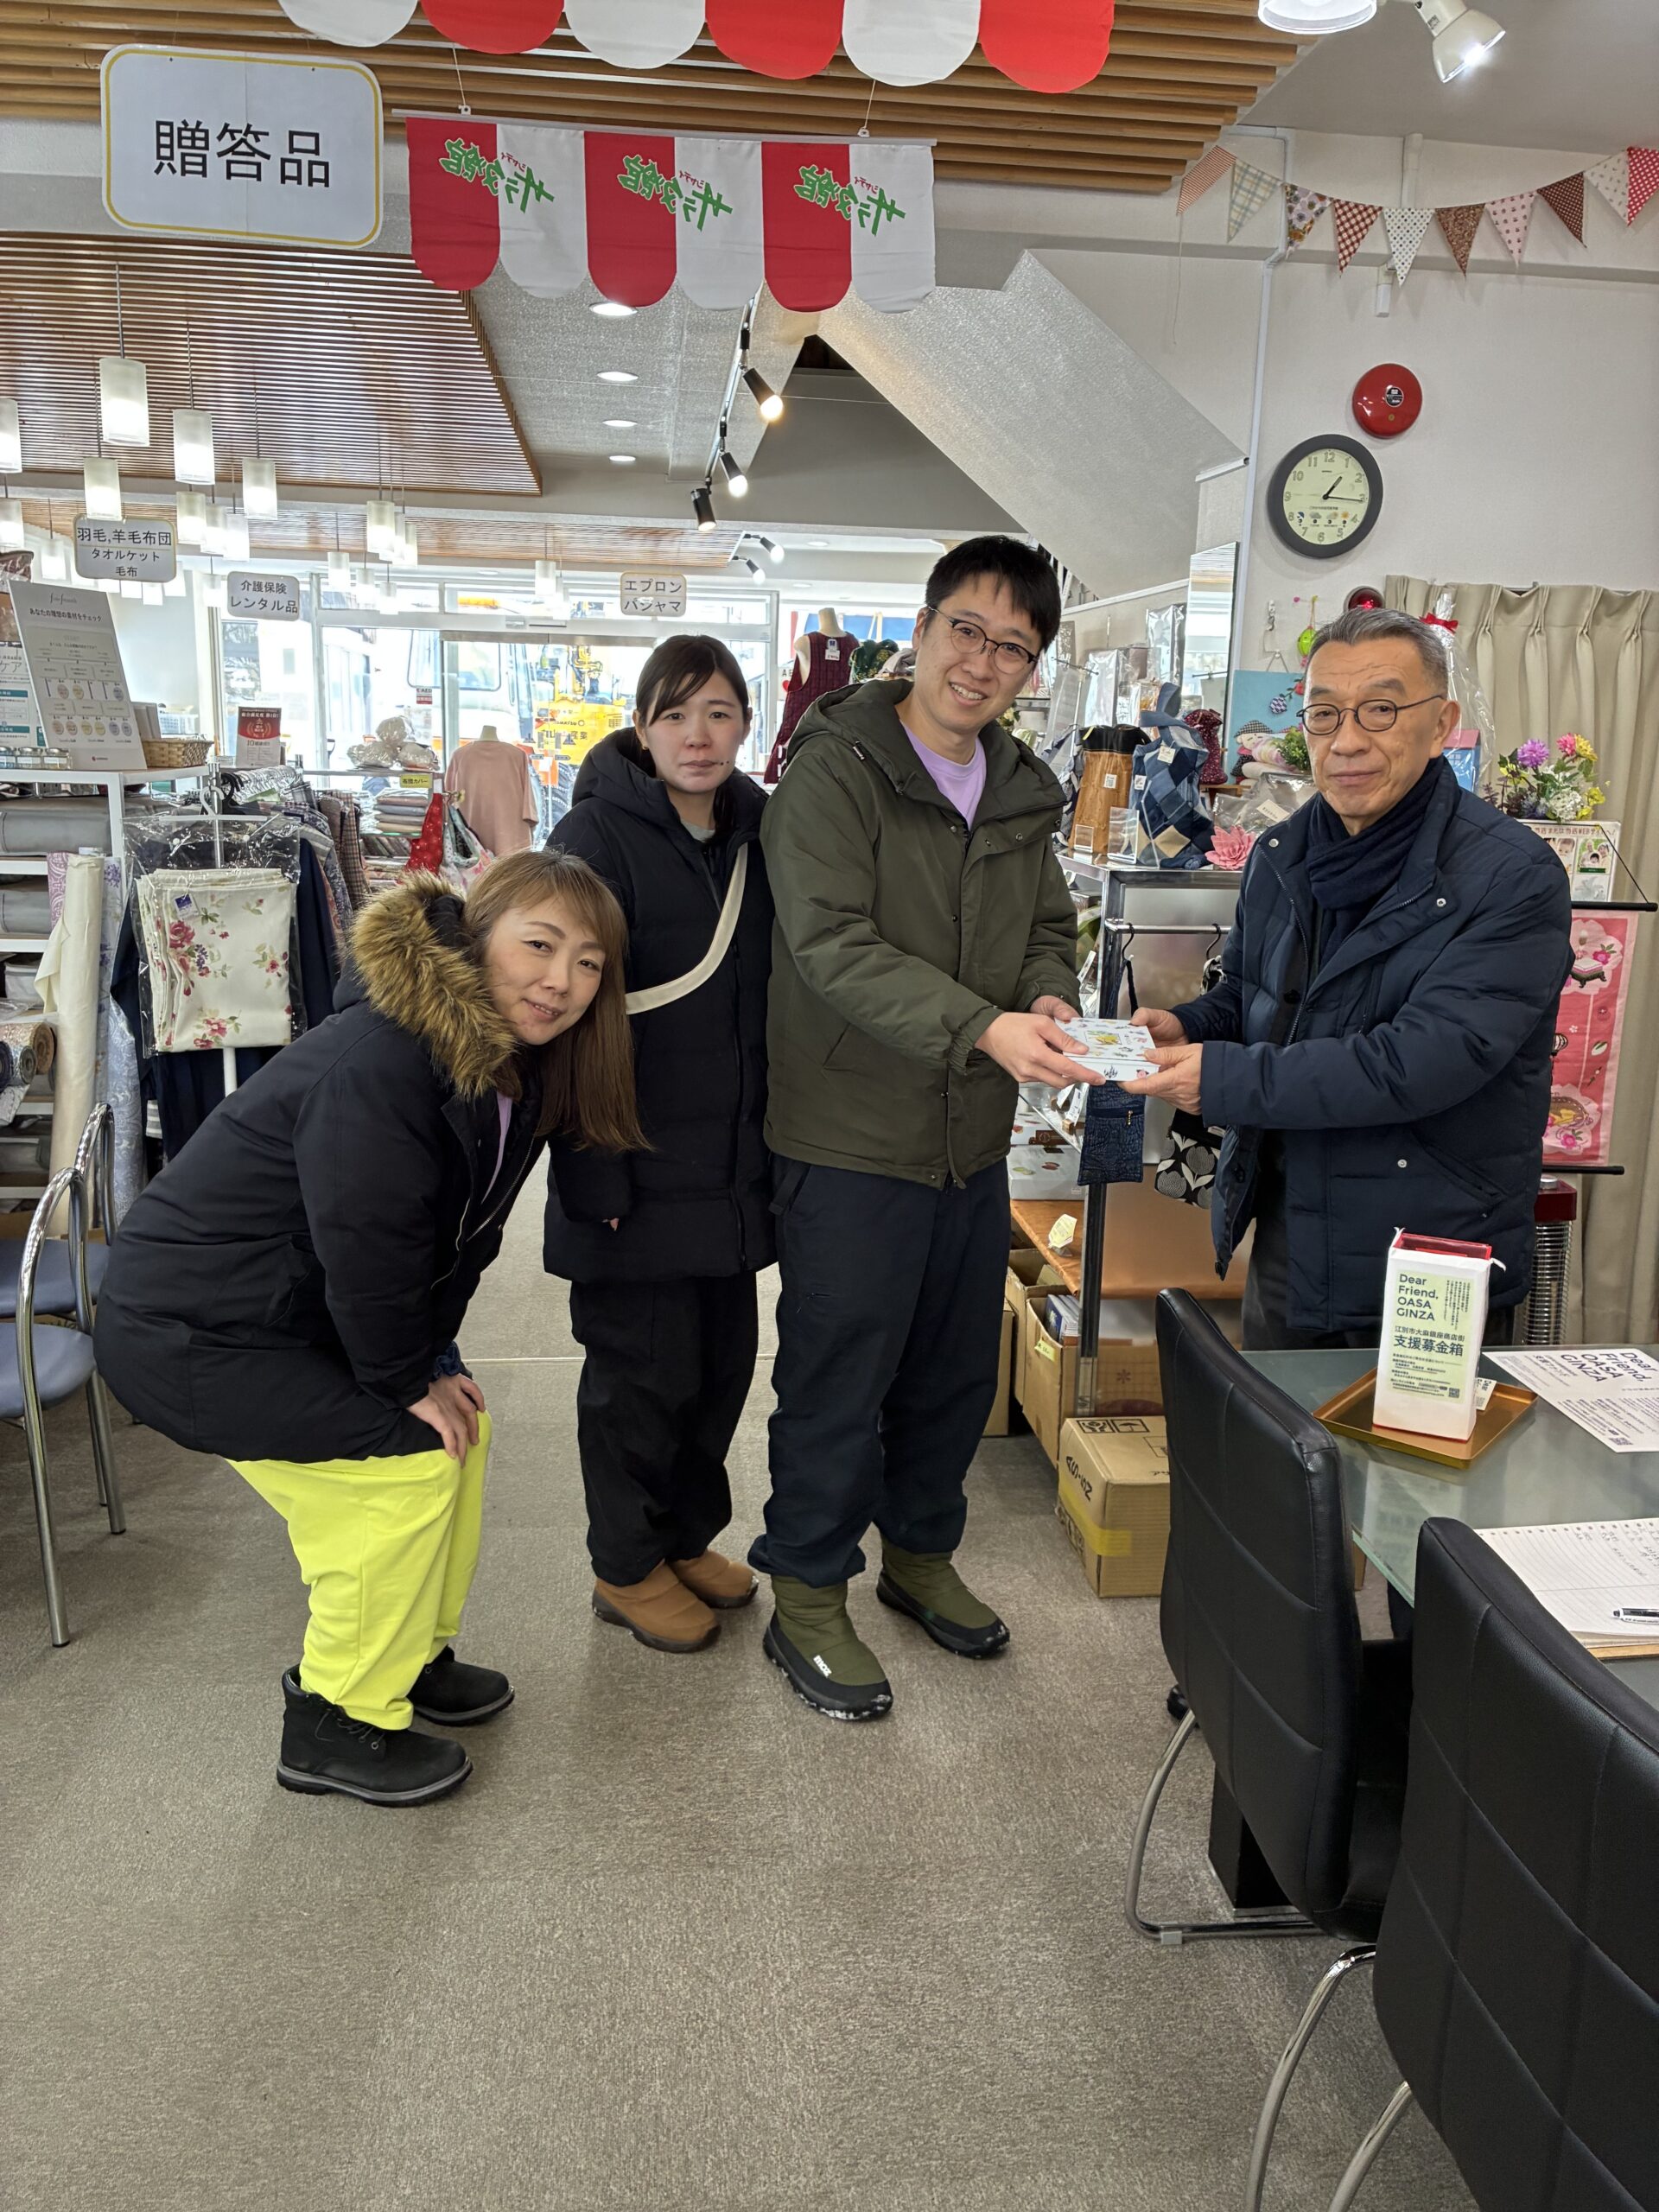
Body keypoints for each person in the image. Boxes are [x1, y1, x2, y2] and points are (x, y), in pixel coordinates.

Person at [94, 850, 644, 1806]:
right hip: (191, 1330)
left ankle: (408, 1657)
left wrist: (433, 1360)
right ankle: (335, 1719)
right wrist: (400, 1377)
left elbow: (457, 1242)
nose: (562, 981)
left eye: (589, 963)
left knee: (462, 1428)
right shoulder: (386, 1059)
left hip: (286, 1316)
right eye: (540, 945)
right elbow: (370, 1239)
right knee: (399, 1471)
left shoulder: (509, 1067)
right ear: (477, 937)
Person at [753, 534, 1102, 1722]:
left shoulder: (1020, 787)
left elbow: (1048, 925)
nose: (982, 662)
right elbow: (829, 943)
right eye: (967, 630)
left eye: (1014, 646)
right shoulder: (837, 768)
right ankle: (807, 1589)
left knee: (953, 1371)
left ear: (1032, 667)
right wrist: (983, 1027)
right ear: (921, 627)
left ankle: (918, 1554)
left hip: (971, 1138)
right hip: (849, 1131)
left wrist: (1046, 995)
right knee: (838, 1374)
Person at [1123, 605, 1573, 1349]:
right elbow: (1255, 994)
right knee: (1281, 1423)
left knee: (1402, 1433)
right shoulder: (1283, 854)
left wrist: (1223, 1079)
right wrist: (1188, 1024)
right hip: (1294, 1232)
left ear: (1441, 723)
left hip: (1429, 1251)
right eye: (1325, 714)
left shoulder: (1510, 877)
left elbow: (1417, 1063)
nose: (1348, 740)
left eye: (1381, 710)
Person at [545, 637, 772, 1656]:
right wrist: (593, 1170)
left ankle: (683, 1537)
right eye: (674, 714)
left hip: (729, 1170)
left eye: (718, 713)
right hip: (629, 1164)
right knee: (638, 1377)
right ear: (642, 728)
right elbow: (565, 1015)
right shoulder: (594, 835)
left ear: (746, 725)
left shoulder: (758, 833)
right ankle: (625, 1563)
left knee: (718, 1370)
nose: (698, 735)